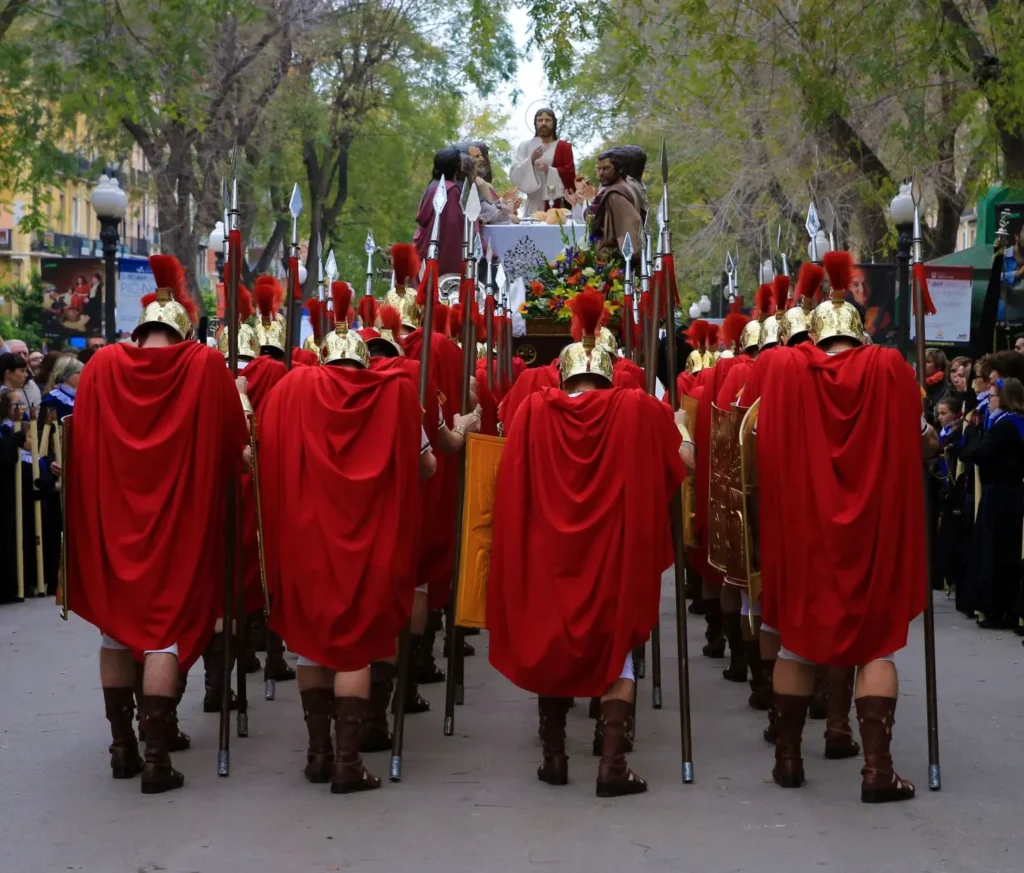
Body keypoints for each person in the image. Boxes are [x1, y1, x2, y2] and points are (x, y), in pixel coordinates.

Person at [488, 289, 689, 796]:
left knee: (551, 642)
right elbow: (676, 469)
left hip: (549, 550)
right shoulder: (637, 408)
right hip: (614, 552)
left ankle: (554, 757)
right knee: (618, 649)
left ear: (564, 372)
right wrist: (683, 430)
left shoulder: (532, 411)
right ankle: (612, 765)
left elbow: (508, 480)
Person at [65, 254, 249, 794]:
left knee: (116, 632)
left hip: (113, 520)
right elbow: (235, 445)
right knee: (164, 635)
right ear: (183, 330)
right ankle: (156, 758)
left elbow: (81, 444)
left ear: (143, 327)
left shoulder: (99, 367)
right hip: (177, 523)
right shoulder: (204, 366)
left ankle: (121, 746)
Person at [759, 250, 934, 804]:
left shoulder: (787, 370)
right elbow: (922, 439)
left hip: (806, 531)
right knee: (876, 645)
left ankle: (788, 760)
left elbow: (763, 445)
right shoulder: (888, 369)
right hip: (872, 534)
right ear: (859, 333)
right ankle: (877, 770)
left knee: (795, 644)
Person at [260, 286, 427, 794]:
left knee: (311, 648)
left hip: (308, 539)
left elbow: (263, 456)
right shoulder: (396, 394)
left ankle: (317, 754)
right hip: (372, 542)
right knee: (355, 649)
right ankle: (348, 763)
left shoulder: (291, 392)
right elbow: (427, 465)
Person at [961, 376, 1024, 630]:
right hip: (1012, 491)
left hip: (998, 492)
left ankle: (995, 607)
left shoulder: (1003, 425)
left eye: (993, 396)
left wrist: (973, 435)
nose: (990, 401)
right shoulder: (1015, 423)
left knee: (995, 549)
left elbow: (979, 453)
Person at [509, 107, 576, 214]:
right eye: (540, 120)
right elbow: (514, 175)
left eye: (548, 120)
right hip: (533, 204)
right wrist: (531, 159)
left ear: (554, 123)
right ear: (535, 124)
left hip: (556, 204)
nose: (543, 123)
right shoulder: (525, 146)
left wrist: (548, 170)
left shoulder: (564, 147)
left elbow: (570, 175)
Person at [413, 147, 465, 277]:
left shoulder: (432, 186)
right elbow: (454, 225)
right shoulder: (450, 191)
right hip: (441, 251)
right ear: (456, 168)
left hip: (425, 246)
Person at [0, 389, 30, 604]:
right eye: (15, 406)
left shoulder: (15, 427)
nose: (19, 410)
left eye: (21, 406)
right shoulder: (4, 429)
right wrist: (15, 440)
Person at [588, 148, 642, 263]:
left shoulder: (615, 194)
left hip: (619, 264)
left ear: (620, 168)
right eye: (600, 169)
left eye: (606, 168)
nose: (601, 173)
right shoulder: (622, 188)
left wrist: (627, 258)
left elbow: (629, 227)